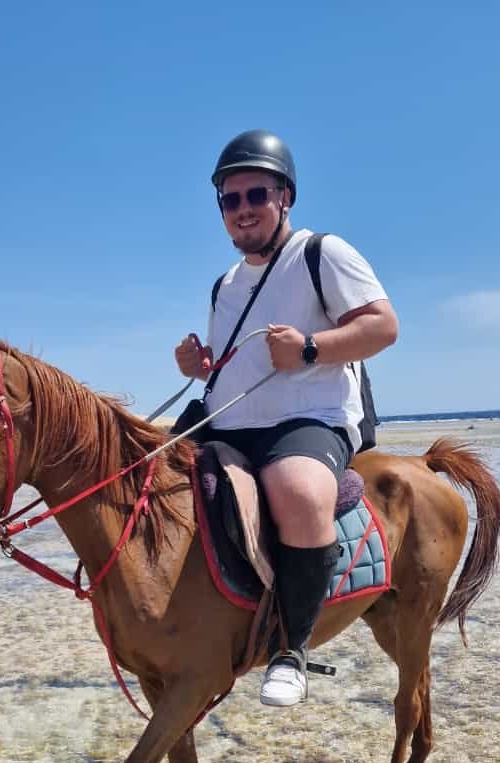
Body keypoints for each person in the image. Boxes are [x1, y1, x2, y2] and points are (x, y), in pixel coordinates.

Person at [175, 129, 398, 707]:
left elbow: (383, 326)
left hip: (309, 417)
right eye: (231, 200)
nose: (243, 209)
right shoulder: (224, 284)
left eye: (256, 195)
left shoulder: (323, 253)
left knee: (297, 491)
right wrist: (200, 367)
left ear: (284, 197)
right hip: (231, 423)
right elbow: (238, 365)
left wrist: (307, 350)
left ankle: (291, 651)